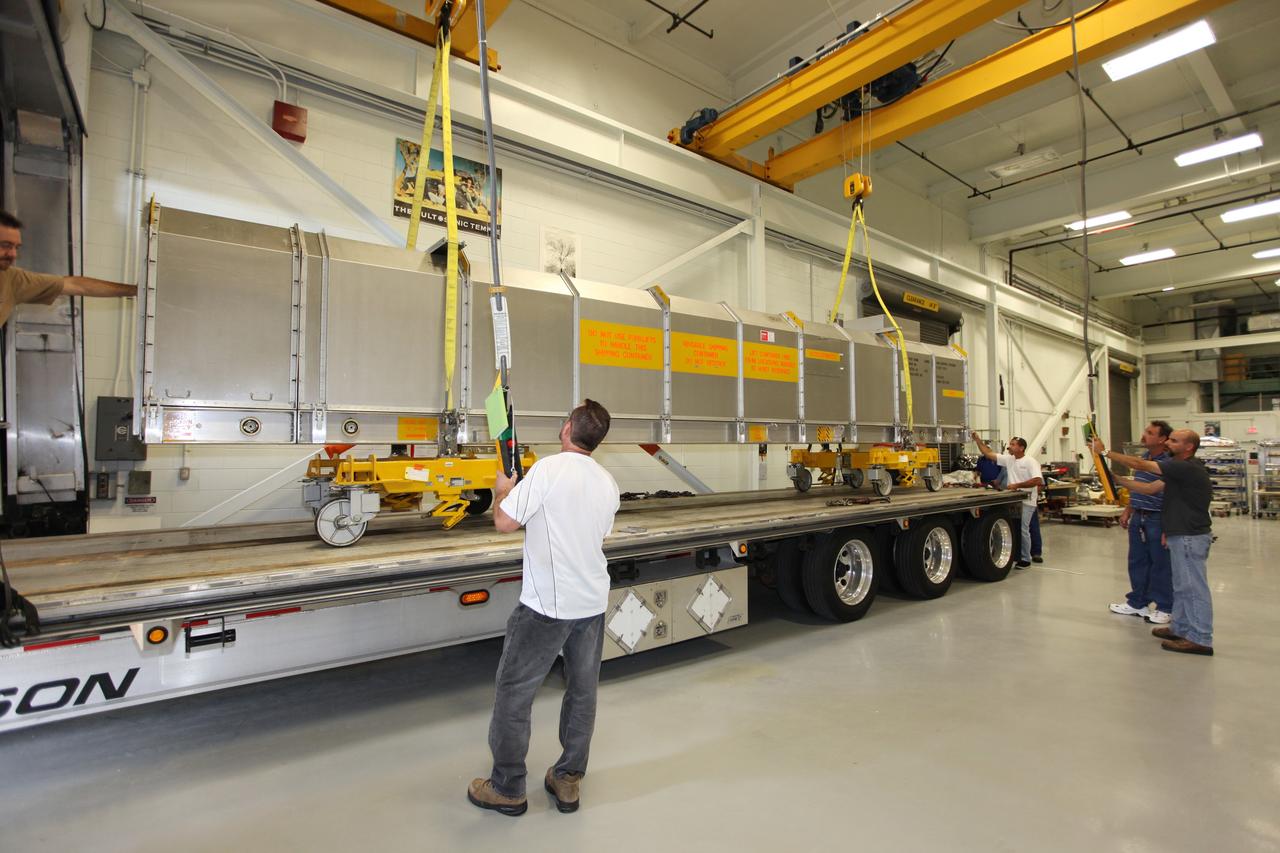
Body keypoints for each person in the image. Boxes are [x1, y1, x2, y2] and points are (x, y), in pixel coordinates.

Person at [469, 400, 621, 816]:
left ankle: (507, 788)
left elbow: (504, 521)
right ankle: (568, 780)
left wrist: (504, 486)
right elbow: (596, 534)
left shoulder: (549, 470)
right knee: (582, 692)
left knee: (514, 692)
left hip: (547, 608)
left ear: (568, 427)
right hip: (590, 603)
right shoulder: (607, 482)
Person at [1093, 430, 1214, 656]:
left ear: (1188, 447)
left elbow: (1141, 464)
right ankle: (1181, 628)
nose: (1169, 442)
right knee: (1181, 587)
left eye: (1174, 441)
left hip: (1190, 535)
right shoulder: (1178, 470)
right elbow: (1149, 489)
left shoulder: (1185, 467)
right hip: (1180, 533)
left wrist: (1106, 452)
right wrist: (1115, 480)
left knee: (1193, 589)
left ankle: (1200, 638)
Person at [1, 210, 136, 326]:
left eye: (16, 247)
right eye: (5, 245)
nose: (13, 254)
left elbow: (76, 285)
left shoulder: (13, 280)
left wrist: (135, 290)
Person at [1107, 421, 1174, 625]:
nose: (1144, 435)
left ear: (1162, 439)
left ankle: (1165, 607)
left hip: (1158, 517)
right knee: (1137, 561)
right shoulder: (1146, 457)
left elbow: (1164, 493)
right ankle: (1138, 602)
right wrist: (1129, 510)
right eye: (1145, 431)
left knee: (1160, 564)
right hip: (1140, 516)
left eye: (1150, 432)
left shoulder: (1167, 462)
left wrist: (1106, 453)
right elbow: (1138, 487)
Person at [972, 432, 1042, 568]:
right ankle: (1016, 555)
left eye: (1013, 444)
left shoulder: (1030, 461)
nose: (1010, 446)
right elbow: (988, 454)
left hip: (1027, 500)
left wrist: (1017, 485)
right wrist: (977, 440)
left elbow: (1037, 480)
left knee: (1023, 528)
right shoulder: (1009, 460)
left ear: (1021, 448)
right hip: (1013, 499)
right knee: (1014, 528)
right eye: (1010, 444)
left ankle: (1025, 559)